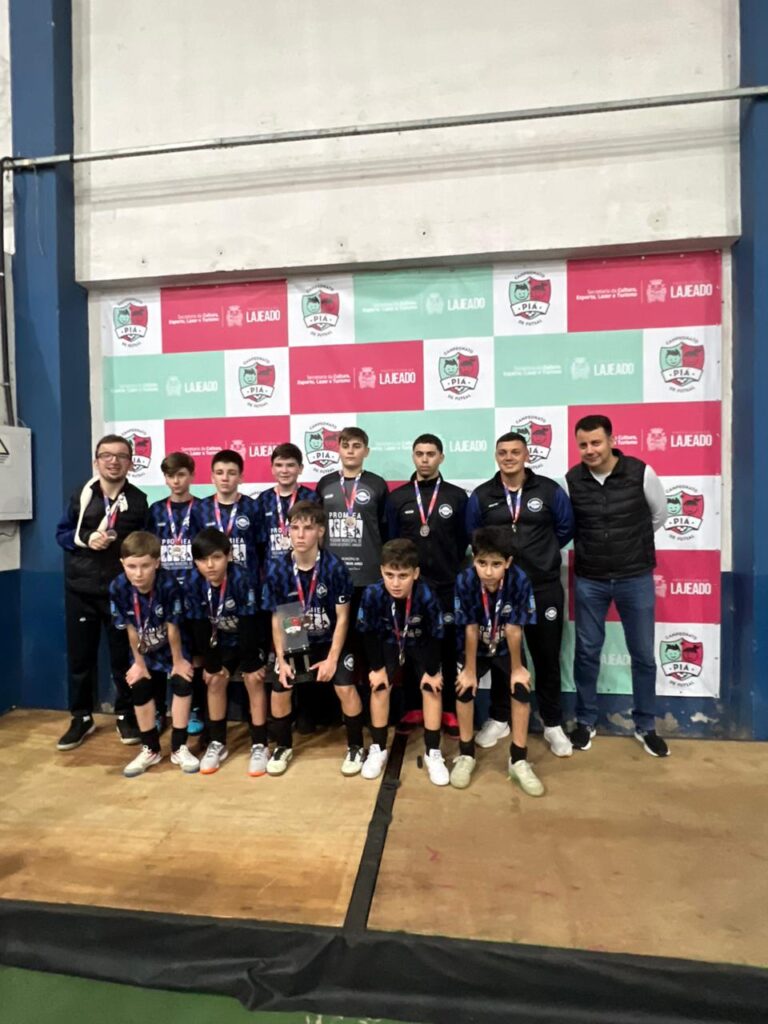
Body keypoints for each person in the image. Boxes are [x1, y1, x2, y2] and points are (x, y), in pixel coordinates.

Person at [566, 414, 670, 757]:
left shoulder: (641, 472)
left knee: (642, 655)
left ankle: (646, 725)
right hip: (590, 579)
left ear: (611, 440)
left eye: (596, 442)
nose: (590, 450)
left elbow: (659, 515)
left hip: (635, 577)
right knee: (586, 653)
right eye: (583, 444)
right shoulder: (571, 480)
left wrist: (631, 544)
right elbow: (568, 524)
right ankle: (585, 721)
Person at [466, 432, 574, 757]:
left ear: (527, 455)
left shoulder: (550, 491)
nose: (509, 457)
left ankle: (552, 723)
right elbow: (473, 535)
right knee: (502, 656)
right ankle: (500, 718)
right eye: (503, 452)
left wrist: (542, 554)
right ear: (496, 456)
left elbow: (566, 528)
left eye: (515, 452)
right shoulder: (483, 495)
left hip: (543, 586)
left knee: (546, 655)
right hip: (500, 590)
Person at [55, 434, 149, 751]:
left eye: (121, 456)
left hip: (121, 594)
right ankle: (81, 717)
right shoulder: (82, 495)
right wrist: (86, 539)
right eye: (106, 455)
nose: (113, 461)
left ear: (130, 463)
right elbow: (62, 534)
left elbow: (145, 543)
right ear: (96, 461)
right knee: (81, 659)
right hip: (81, 590)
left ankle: (125, 714)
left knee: (123, 659)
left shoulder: (138, 500)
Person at [262, 501, 363, 776]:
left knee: (345, 687)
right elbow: (277, 618)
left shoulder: (335, 567)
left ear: (320, 531)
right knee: (280, 688)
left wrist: (332, 659)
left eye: (307, 528)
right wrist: (282, 659)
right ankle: (283, 746)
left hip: (331, 640)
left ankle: (356, 746)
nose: (300, 535)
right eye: (294, 528)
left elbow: (343, 618)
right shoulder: (278, 569)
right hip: (296, 636)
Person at [388, 433, 468, 737]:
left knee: (446, 646)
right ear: (413, 456)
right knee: (410, 644)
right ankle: (413, 707)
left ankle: (447, 709)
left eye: (431, 454)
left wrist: (449, 564)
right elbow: (392, 541)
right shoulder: (398, 497)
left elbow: (463, 540)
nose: (425, 459)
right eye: (419, 453)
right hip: (410, 586)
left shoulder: (456, 496)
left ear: (441, 457)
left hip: (446, 584)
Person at [452, 527, 541, 795]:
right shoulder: (465, 580)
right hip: (475, 646)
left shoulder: (520, 580)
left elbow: (514, 629)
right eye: (482, 563)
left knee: (521, 689)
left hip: (505, 645)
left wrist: (517, 669)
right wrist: (469, 670)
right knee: (464, 688)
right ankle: (466, 754)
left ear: (508, 562)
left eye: (496, 564)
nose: (488, 572)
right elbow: (469, 627)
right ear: (474, 559)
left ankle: (519, 760)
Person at [356, 539, 449, 786]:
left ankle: (432, 752)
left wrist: (432, 671)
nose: (395, 583)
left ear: (415, 573)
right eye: (389, 575)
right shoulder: (373, 594)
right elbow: (367, 633)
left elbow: (436, 635)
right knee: (379, 686)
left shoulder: (427, 594)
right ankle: (378, 748)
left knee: (432, 687)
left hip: (421, 642)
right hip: (387, 641)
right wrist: (377, 669)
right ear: (381, 571)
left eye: (403, 576)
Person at [109, 531, 199, 777]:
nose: (138, 573)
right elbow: (130, 628)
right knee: (139, 685)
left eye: (145, 566)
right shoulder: (118, 586)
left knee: (182, 681)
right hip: (144, 647)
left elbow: (173, 628)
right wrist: (139, 663)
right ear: (122, 564)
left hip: (173, 646)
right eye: (132, 566)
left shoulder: (169, 585)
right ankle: (150, 749)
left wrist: (178, 662)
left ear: (157, 563)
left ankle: (179, 747)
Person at [183, 528, 268, 775]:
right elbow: (199, 625)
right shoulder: (192, 582)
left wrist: (252, 662)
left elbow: (251, 624)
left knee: (253, 678)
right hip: (219, 642)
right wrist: (212, 664)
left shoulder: (243, 579)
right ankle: (217, 742)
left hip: (251, 639)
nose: (210, 565)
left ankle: (260, 744)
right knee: (214, 679)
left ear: (228, 556)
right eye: (202, 560)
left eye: (216, 558)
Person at [147, 450, 205, 736]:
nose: (176, 481)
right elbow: (148, 550)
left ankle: (194, 708)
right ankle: (160, 709)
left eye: (181, 475)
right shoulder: (156, 510)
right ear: (165, 478)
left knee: (194, 652)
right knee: (159, 652)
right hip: (164, 592)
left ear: (191, 475)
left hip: (195, 591)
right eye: (171, 476)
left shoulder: (203, 508)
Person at [315, 426, 389, 611]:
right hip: (332, 570)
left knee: (364, 625)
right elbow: (317, 527)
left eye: (357, 446)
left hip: (367, 572)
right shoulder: (325, 483)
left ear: (366, 451)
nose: (350, 451)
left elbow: (385, 527)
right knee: (334, 625)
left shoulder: (377, 484)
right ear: (338, 449)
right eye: (345, 445)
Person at [191, 450, 262, 584]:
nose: (225, 478)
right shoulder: (199, 509)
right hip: (211, 583)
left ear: (241, 477)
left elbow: (262, 548)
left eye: (231, 473)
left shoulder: (254, 507)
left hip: (247, 582)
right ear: (212, 477)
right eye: (219, 473)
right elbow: (196, 551)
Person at [254, 443, 317, 566]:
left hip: (305, 569)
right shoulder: (263, 499)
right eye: (279, 465)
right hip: (271, 571)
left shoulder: (312, 498)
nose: (284, 471)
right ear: (272, 469)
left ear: (300, 468)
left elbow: (318, 539)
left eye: (290, 465)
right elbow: (258, 543)